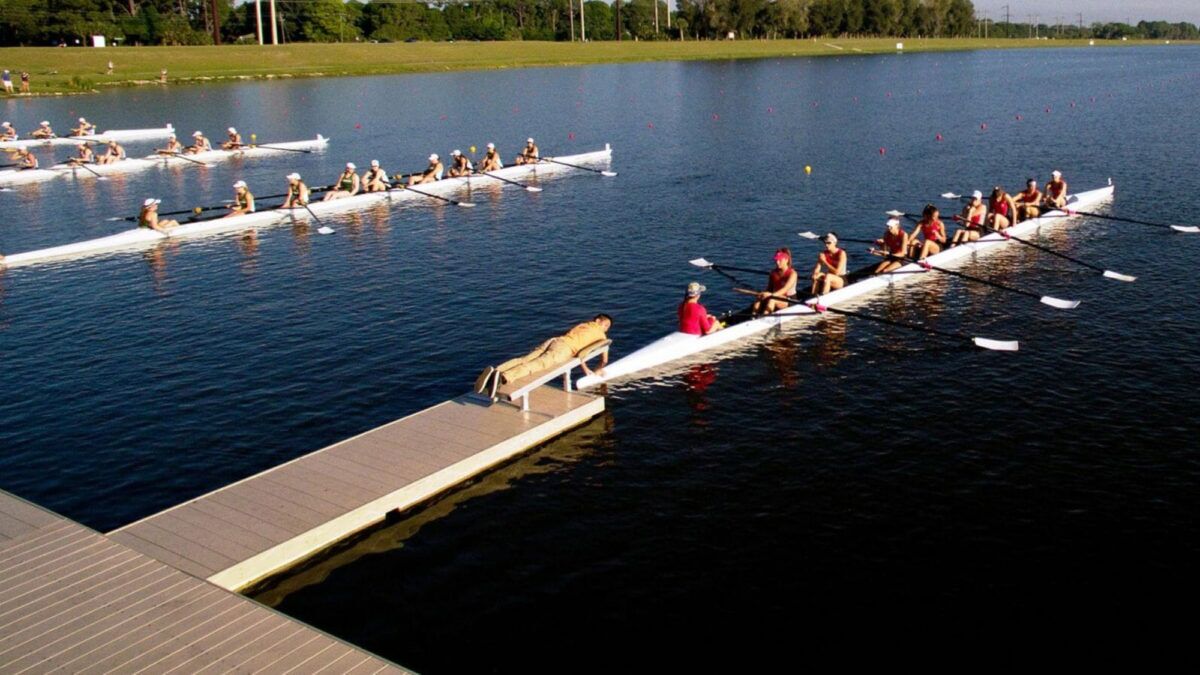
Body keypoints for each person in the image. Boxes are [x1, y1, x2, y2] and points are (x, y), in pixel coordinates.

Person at [474, 314, 613, 397]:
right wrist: (593, 370)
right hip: (564, 349)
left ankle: (497, 370)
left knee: (525, 359)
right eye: (606, 325)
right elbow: (596, 356)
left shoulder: (584, 325)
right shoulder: (601, 335)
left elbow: (581, 346)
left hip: (555, 340)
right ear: (600, 322)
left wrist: (584, 366)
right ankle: (504, 377)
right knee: (537, 365)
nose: (606, 328)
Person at [752, 248, 798, 315]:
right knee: (759, 296)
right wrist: (763, 294)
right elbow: (769, 289)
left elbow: (785, 289)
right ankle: (753, 317)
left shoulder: (793, 274)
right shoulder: (773, 273)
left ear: (786, 260)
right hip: (776, 296)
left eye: (780, 260)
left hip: (790, 300)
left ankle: (764, 319)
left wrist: (771, 295)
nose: (777, 262)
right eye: (776, 260)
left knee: (772, 299)